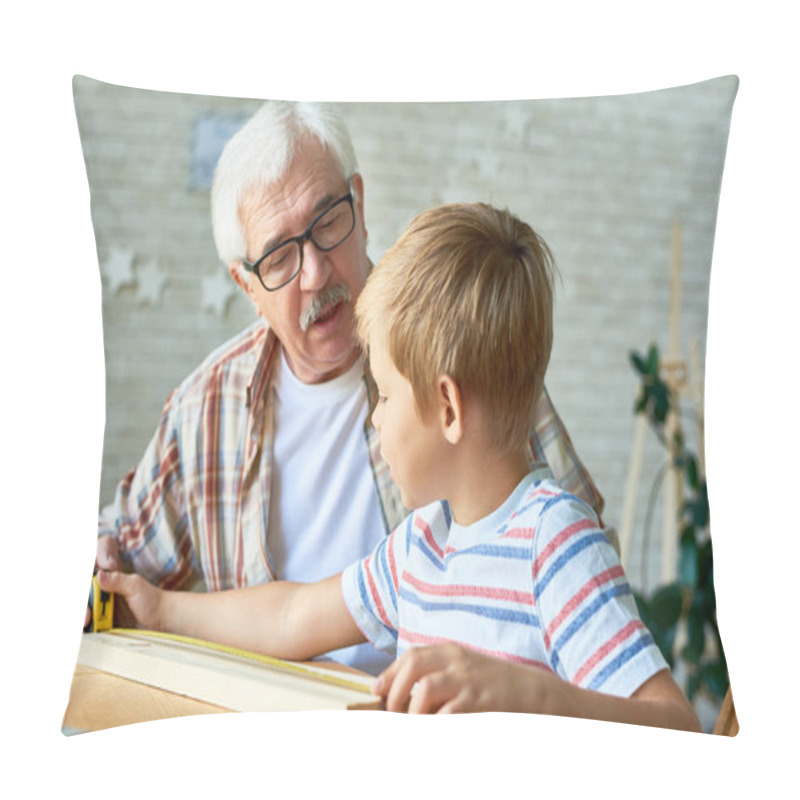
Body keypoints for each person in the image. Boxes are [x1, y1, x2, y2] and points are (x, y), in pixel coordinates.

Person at [98, 202, 700, 730]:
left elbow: (676, 730)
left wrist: (530, 695)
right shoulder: (419, 547)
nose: (376, 418)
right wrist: (159, 609)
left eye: (383, 394)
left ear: (447, 406)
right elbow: (289, 614)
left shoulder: (557, 543)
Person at [91, 101, 605, 676]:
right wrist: (122, 582)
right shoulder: (205, 411)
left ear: (359, 204)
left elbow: (579, 568)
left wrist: (524, 694)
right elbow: (144, 563)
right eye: (280, 256)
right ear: (245, 283)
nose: (315, 272)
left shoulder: (464, 351)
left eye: (328, 222)